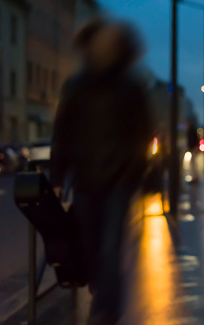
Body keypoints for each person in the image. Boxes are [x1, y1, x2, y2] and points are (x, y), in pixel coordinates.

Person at [50, 18, 152, 324]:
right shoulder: (76, 86)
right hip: (85, 179)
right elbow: (63, 133)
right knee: (90, 246)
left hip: (118, 181)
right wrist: (57, 177)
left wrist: (132, 171)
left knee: (110, 248)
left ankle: (106, 312)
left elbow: (143, 133)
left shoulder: (130, 87)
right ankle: (104, 294)